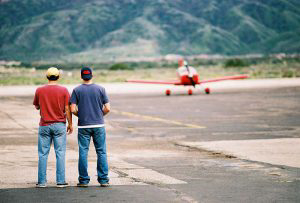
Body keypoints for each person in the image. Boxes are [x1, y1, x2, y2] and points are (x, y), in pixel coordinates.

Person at [70, 67, 110, 187]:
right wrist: (99, 114)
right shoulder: (101, 89)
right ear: (92, 76)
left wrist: (81, 115)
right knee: (101, 152)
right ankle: (103, 180)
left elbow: (72, 109)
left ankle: (83, 180)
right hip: (99, 125)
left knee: (83, 152)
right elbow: (108, 108)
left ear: (81, 76)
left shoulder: (76, 90)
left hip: (83, 126)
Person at [33, 67, 73, 188]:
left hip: (44, 125)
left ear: (47, 77)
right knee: (60, 153)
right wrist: (70, 124)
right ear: (58, 77)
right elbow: (67, 108)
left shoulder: (39, 90)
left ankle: (41, 182)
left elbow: (37, 106)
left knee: (43, 154)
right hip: (59, 125)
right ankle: (60, 181)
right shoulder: (64, 90)